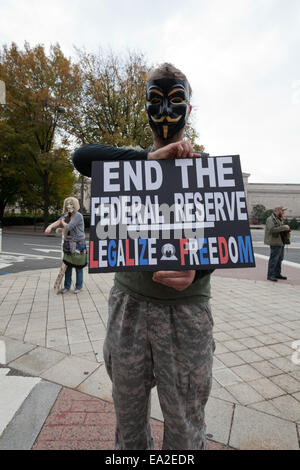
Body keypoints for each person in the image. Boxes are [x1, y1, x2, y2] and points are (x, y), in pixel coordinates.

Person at [72, 63, 215, 450]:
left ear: (190, 109)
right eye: (155, 101)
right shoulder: (130, 165)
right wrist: (146, 161)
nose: (166, 113)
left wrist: (197, 270)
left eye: (175, 101)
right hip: (130, 308)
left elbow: (222, 243)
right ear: (145, 108)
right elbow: (81, 156)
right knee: (129, 427)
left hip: (186, 314)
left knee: (185, 430)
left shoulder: (205, 171)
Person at [45, 196, 86, 294]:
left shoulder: (78, 215)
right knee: (68, 265)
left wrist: (62, 222)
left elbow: (68, 226)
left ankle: (78, 287)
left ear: (75, 205)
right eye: (67, 204)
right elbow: (58, 222)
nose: (69, 206)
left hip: (79, 244)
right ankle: (67, 287)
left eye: (71, 204)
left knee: (78, 266)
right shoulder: (66, 215)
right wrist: (49, 227)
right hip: (68, 244)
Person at [264, 206, 290, 282]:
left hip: (280, 242)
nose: (283, 212)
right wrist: (284, 227)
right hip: (275, 242)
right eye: (282, 211)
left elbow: (279, 228)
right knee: (274, 259)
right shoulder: (270, 219)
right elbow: (272, 229)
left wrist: (283, 226)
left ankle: (277, 274)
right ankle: (270, 275)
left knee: (280, 259)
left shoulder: (278, 219)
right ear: (277, 210)